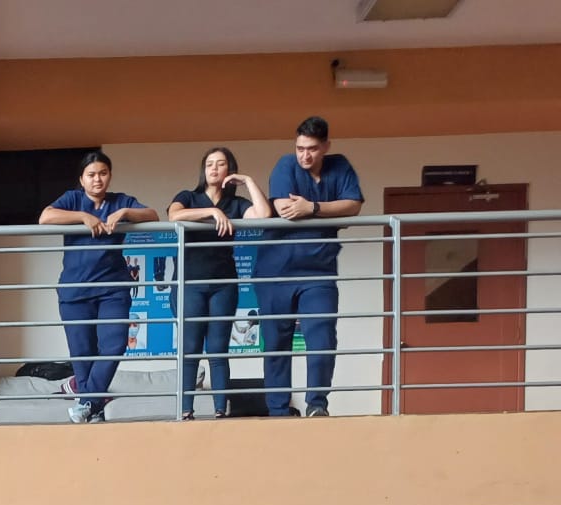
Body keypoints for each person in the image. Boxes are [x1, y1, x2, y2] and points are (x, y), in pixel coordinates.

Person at [39, 150, 158, 424]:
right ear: (82, 179)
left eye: (103, 173)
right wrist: (83, 217)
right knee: (82, 355)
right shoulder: (72, 199)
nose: (97, 179)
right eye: (91, 175)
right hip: (75, 291)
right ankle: (91, 408)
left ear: (110, 176)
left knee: (115, 344)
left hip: (113, 289)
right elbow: (45, 217)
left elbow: (152, 215)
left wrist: (125, 213)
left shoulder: (120, 201)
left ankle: (86, 400)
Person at [256, 117, 363, 417]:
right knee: (276, 343)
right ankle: (278, 411)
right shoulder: (285, 165)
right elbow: (285, 209)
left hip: (319, 271)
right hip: (274, 272)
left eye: (313, 149)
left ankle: (317, 404)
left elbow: (353, 205)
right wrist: (329, 212)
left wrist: (312, 207)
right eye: (300, 148)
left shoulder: (339, 166)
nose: (305, 155)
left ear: (326, 146)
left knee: (322, 336)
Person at [167, 147, 270, 419]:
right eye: (209, 164)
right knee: (190, 350)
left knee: (218, 350)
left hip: (223, 284)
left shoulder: (236, 204)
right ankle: (185, 412)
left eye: (220, 164)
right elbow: (174, 215)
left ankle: (221, 412)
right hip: (190, 284)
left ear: (229, 170)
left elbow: (263, 215)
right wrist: (211, 212)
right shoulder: (188, 197)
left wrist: (248, 181)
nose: (213, 168)